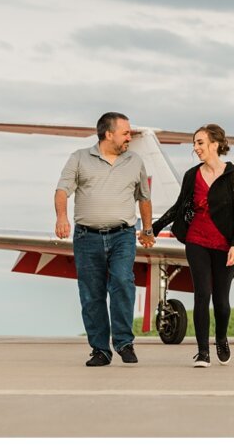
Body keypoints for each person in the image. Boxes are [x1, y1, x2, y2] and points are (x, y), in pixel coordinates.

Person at [55, 112, 154, 367]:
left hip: (123, 235)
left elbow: (144, 197)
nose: (129, 137)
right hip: (87, 237)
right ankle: (100, 350)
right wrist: (61, 218)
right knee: (92, 294)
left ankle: (124, 342)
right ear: (108, 134)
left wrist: (148, 230)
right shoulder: (79, 158)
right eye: (125, 132)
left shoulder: (135, 161)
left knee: (122, 281)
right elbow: (62, 190)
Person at [147, 123, 234, 368]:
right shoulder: (192, 175)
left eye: (200, 142)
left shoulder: (233, 175)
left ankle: (221, 339)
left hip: (224, 245)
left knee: (221, 301)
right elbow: (179, 207)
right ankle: (203, 352)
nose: (196, 148)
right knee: (202, 295)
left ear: (215, 144)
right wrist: (154, 228)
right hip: (197, 240)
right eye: (194, 143)